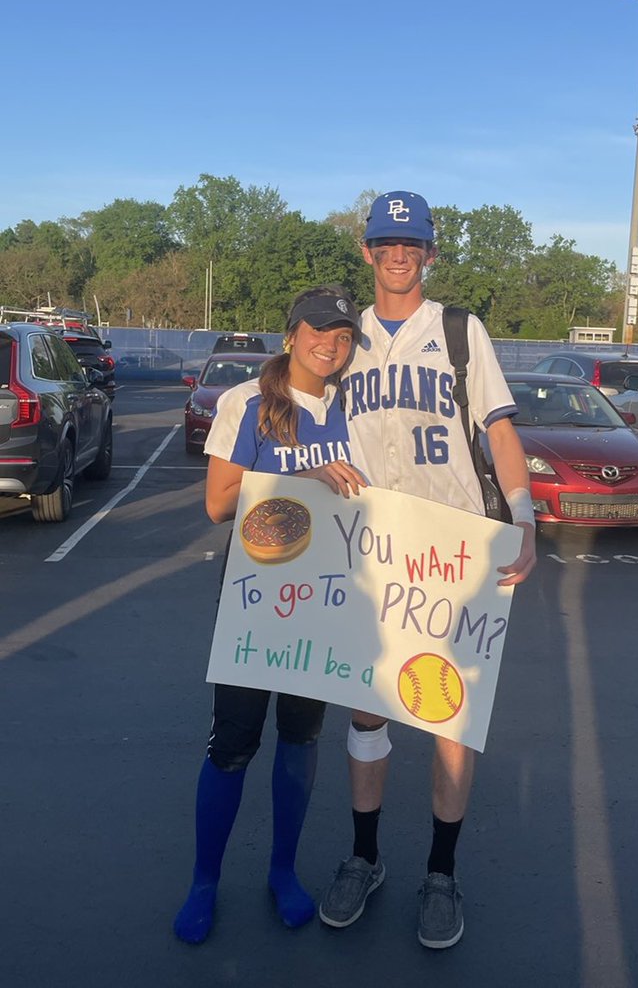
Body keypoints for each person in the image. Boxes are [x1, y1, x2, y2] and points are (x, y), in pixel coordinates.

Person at [318, 192, 537, 949]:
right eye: (385, 241)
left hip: (452, 547)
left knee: (447, 718)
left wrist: (525, 518)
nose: (397, 253)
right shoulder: (341, 340)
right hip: (372, 547)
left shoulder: (456, 330)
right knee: (368, 709)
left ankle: (440, 872)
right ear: (367, 250)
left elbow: (499, 432)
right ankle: (364, 857)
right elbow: (302, 424)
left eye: (410, 243)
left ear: (430, 253)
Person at [174, 285, 366, 944]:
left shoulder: (353, 406)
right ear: (291, 335)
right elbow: (218, 504)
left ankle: (282, 871)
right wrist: (306, 478)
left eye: (342, 336)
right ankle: (205, 880)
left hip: (326, 600)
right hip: (257, 599)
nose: (330, 345)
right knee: (232, 745)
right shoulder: (245, 403)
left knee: (300, 739)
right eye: (318, 331)